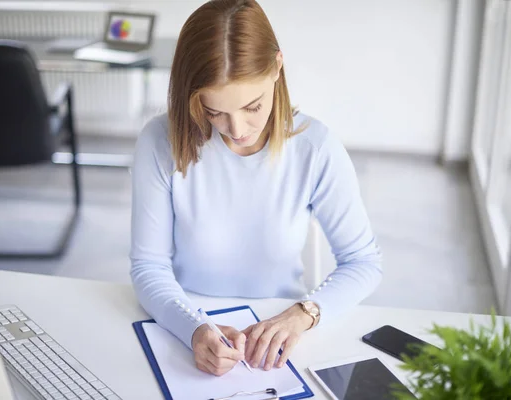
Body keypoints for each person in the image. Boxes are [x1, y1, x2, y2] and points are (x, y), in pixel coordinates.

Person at [130, 0, 382, 377]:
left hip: (277, 326)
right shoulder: (159, 141)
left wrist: (302, 315)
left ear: (277, 66)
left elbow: (363, 262)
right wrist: (193, 329)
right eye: (214, 112)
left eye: (252, 106)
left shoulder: (316, 148)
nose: (237, 130)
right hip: (183, 317)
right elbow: (148, 265)